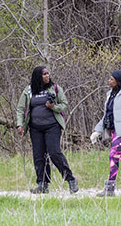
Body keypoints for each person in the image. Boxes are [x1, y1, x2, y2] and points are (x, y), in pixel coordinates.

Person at [16, 66, 78, 194]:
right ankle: (42, 184)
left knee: (54, 152)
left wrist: (53, 106)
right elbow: (21, 108)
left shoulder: (55, 88)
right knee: (39, 156)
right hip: (35, 128)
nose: (47, 76)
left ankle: (71, 179)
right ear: (38, 76)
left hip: (52, 126)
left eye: (48, 73)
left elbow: (64, 105)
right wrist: (20, 124)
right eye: (44, 74)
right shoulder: (28, 90)